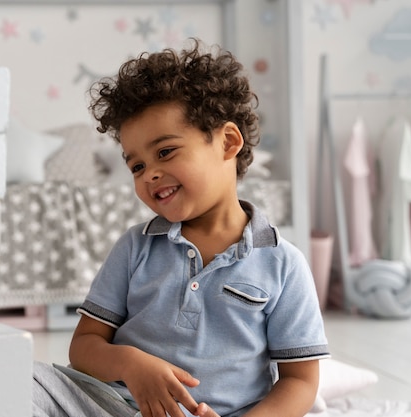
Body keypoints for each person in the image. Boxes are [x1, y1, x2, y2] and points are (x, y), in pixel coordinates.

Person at [64, 39, 330, 417]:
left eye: (165, 151)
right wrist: (130, 364)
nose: (149, 173)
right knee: (23, 383)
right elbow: (84, 346)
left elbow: (300, 381)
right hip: (112, 406)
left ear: (228, 142)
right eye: (136, 166)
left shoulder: (283, 265)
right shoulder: (135, 247)